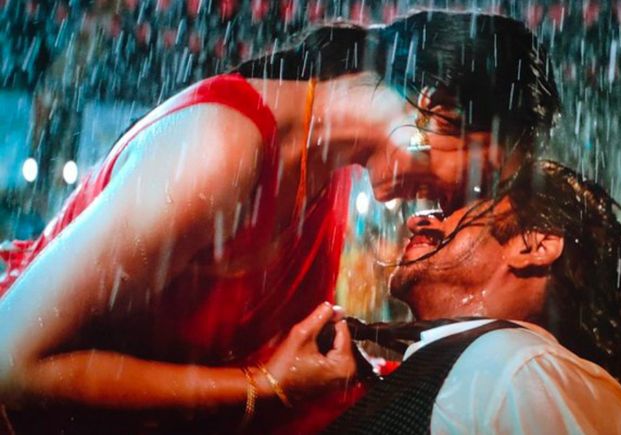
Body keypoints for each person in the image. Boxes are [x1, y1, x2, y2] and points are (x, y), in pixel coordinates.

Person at [0, 11, 560, 433]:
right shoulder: (220, 151)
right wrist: (263, 388)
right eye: (474, 179)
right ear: (435, 110)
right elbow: (12, 367)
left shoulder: (328, 171)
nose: (453, 203)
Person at [326, 160, 621, 434]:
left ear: (533, 246)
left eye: (467, 208)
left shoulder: (522, 370)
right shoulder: (495, 367)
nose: (418, 220)